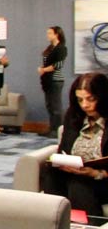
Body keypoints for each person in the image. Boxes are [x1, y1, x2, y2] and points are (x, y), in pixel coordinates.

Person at [41, 72, 108, 214]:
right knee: (51, 174)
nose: (85, 105)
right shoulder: (73, 116)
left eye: (91, 99)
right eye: (80, 100)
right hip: (76, 174)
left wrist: (96, 173)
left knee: (79, 185)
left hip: (102, 180)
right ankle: (53, 222)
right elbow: (64, 149)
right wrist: (63, 163)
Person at [38, 25, 67, 138]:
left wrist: (43, 69)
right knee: (49, 105)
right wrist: (43, 69)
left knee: (56, 107)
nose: (48, 35)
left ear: (57, 34)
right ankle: (52, 128)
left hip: (56, 80)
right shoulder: (50, 48)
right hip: (47, 80)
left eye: (50, 33)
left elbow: (58, 65)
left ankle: (57, 130)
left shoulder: (61, 48)